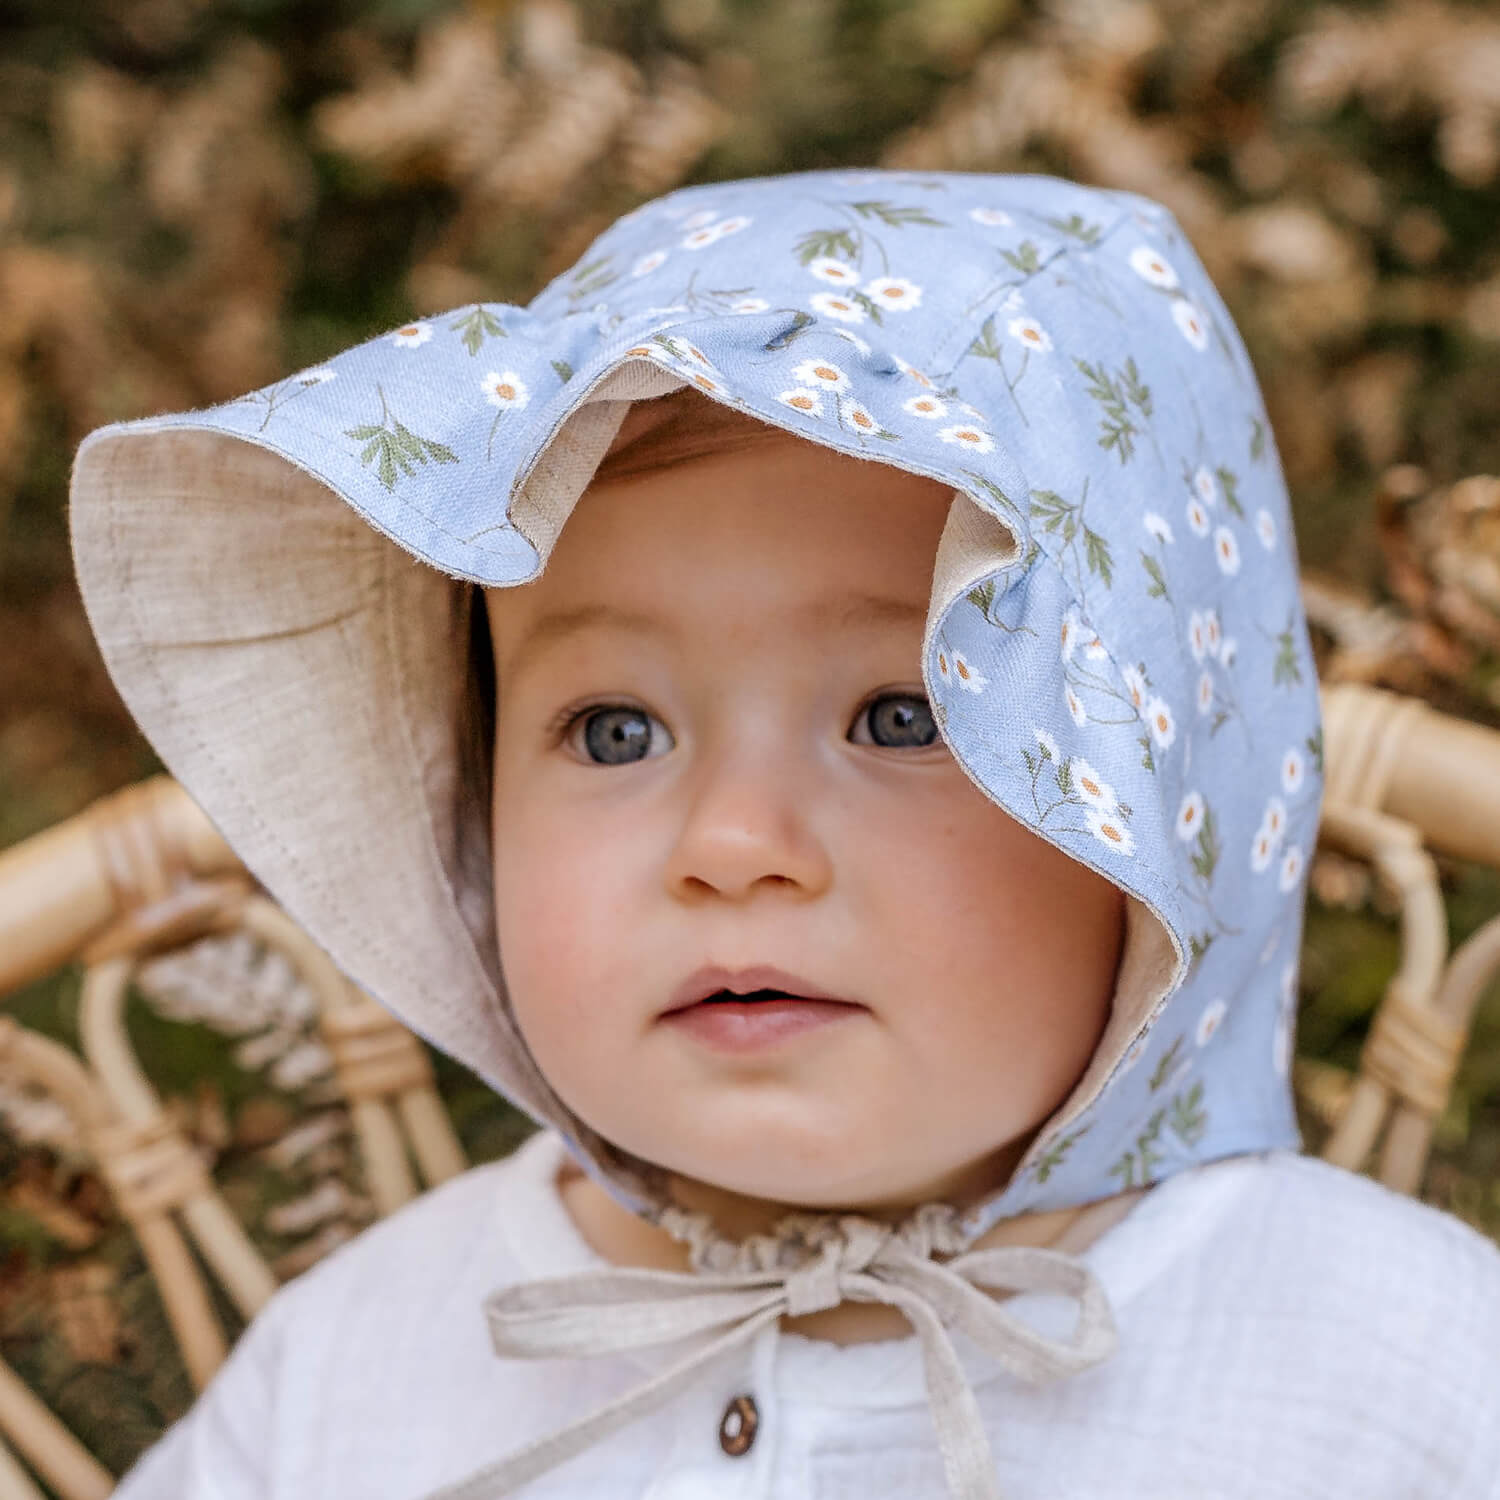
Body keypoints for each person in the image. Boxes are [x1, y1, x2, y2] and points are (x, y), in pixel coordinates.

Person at [69, 169, 1500, 1500]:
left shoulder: (1395, 1374)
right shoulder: (363, 1373)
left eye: (903, 716)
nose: (734, 844)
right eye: (616, 730)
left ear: (1160, 799)